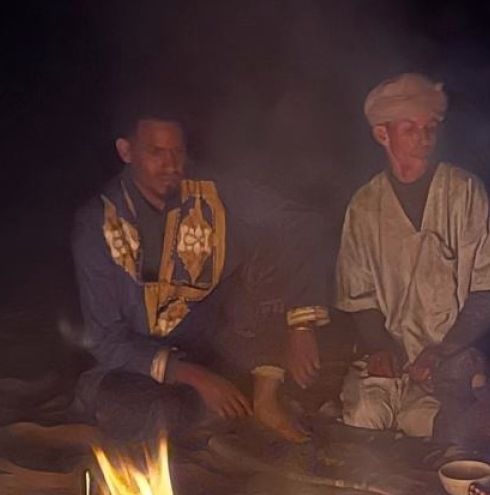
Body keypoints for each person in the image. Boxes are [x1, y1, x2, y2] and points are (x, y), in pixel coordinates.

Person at [71, 105, 331, 447]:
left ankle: (264, 401)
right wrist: (194, 377)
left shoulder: (213, 194)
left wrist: (301, 325)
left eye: (177, 151)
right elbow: (107, 340)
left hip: (210, 348)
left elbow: (297, 223)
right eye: (156, 152)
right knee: (154, 410)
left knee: (267, 249)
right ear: (126, 151)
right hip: (133, 368)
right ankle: (194, 410)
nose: (171, 164)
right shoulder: (97, 224)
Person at [335, 73, 490, 439]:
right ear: (383, 134)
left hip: (451, 360)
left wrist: (442, 350)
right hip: (392, 360)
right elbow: (359, 295)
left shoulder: (464, 192)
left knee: (439, 426)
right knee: (365, 416)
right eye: (410, 128)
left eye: (430, 127)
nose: (424, 138)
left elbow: (487, 290)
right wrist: (378, 347)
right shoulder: (365, 206)